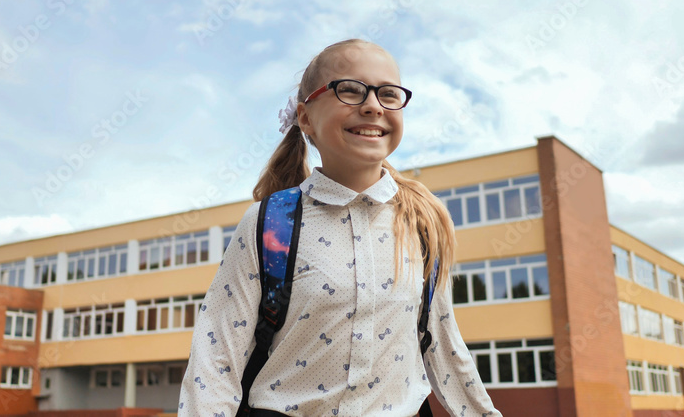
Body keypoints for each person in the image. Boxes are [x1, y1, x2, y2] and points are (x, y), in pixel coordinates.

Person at [179, 39, 502, 417]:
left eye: (388, 93)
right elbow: (216, 353)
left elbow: (444, 346)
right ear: (305, 118)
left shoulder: (420, 225)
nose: (372, 105)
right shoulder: (269, 223)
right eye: (349, 90)